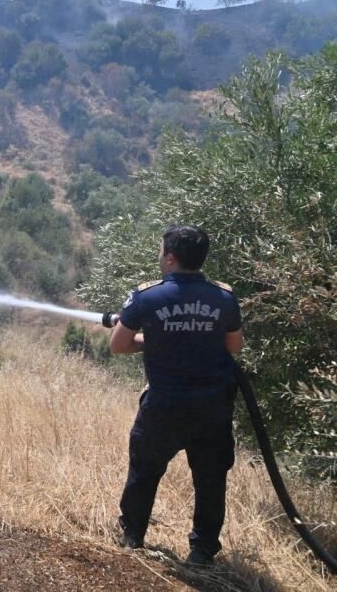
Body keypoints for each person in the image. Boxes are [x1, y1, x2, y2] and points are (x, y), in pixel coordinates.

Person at [108, 225, 244, 567]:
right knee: (210, 481)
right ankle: (201, 552)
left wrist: (153, 339)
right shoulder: (224, 297)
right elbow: (234, 347)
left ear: (170, 258)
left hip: (164, 407)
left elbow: (119, 345)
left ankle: (132, 536)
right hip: (212, 408)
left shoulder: (145, 297)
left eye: (160, 251)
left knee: (145, 471)